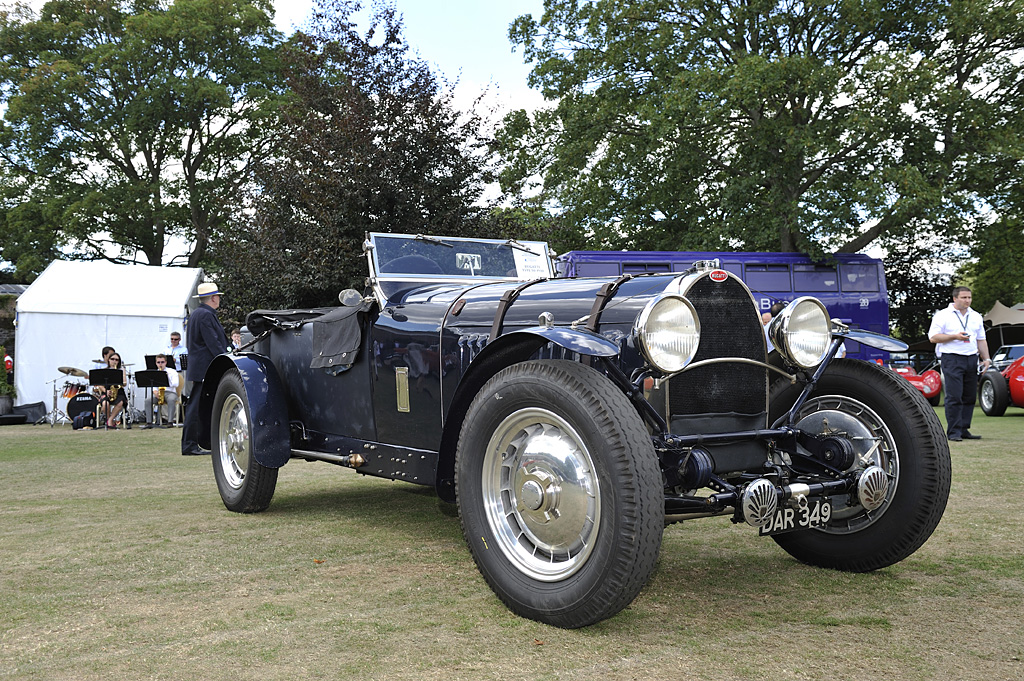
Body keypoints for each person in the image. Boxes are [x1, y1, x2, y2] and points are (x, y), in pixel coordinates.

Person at [928, 286, 991, 441]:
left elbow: (981, 339)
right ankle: (954, 431)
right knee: (954, 396)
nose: (967, 300)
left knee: (969, 396)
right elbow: (933, 337)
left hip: (971, 358)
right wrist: (954, 336)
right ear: (955, 298)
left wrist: (987, 358)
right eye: (963, 297)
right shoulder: (943, 315)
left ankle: (964, 429)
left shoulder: (976, 316)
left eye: (969, 297)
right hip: (952, 358)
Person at [181, 282, 229, 456]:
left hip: (201, 367)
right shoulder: (205, 315)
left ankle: (195, 442)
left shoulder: (198, 314)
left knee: (198, 406)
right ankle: (190, 444)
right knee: (196, 407)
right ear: (214, 298)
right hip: (204, 367)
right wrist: (225, 357)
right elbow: (213, 342)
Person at [144, 353, 179, 426]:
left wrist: (166, 379)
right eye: (158, 362)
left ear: (166, 362)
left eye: (162, 362)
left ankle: (170, 421)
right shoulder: (155, 372)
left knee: (171, 400)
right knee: (147, 400)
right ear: (156, 363)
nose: (160, 364)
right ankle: (149, 422)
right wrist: (155, 392)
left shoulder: (172, 371)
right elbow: (153, 385)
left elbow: (176, 384)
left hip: (170, 392)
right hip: (159, 393)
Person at [99, 352, 128, 429]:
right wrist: (106, 391)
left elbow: (125, 383)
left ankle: (110, 420)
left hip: (119, 392)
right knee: (105, 404)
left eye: (117, 360)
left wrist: (121, 383)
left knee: (120, 402)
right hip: (106, 391)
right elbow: (100, 385)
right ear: (108, 360)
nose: (114, 361)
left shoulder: (121, 370)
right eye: (112, 359)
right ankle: (109, 420)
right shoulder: (104, 371)